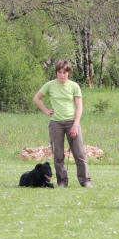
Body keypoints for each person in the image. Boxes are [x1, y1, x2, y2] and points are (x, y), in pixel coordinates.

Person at [33, 60, 92, 188]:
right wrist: (47, 112)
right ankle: (62, 182)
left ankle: (85, 181)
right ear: (56, 73)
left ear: (68, 73)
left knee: (79, 154)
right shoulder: (49, 85)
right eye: (59, 72)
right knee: (58, 155)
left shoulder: (74, 86)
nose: (62, 75)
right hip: (56, 124)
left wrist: (75, 125)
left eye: (64, 72)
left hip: (72, 122)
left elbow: (80, 107)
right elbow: (36, 98)